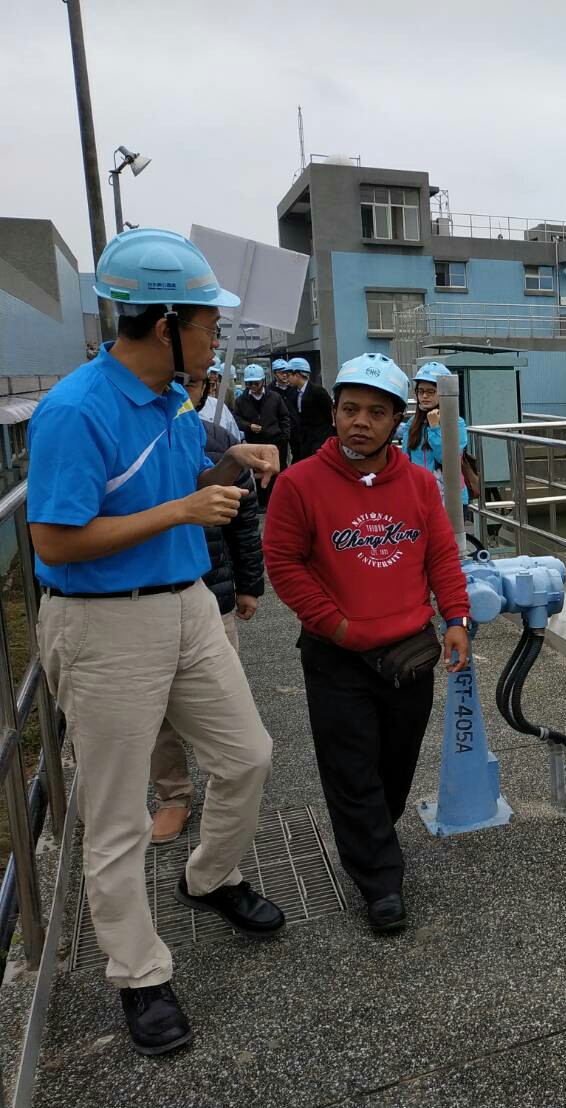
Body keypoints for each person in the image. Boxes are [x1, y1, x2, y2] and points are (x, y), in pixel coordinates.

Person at [29, 228, 284, 1056]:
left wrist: (227, 468)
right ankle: (139, 976)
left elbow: (176, 493)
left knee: (246, 755)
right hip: (104, 625)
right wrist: (182, 511)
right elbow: (56, 542)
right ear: (164, 322)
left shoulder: (177, 401)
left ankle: (209, 877)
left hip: (187, 609)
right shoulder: (76, 408)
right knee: (114, 814)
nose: (220, 334)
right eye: (209, 319)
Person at [263, 352, 471, 934]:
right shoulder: (299, 483)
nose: (361, 421)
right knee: (351, 769)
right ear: (334, 413)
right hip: (336, 655)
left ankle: (375, 837)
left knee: (395, 768)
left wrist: (455, 616)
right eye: (350, 408)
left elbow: (439, 554)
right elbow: (284, 562)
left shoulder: (421, 483)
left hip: (408, 651)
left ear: (396, 419)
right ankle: (381, 880)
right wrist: (335, 624)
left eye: (376, 412)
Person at [150, 368, 264, 843]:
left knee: (225, 706)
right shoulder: (141, 436)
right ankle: (172, 794)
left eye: (195, 383)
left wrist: (249, 585)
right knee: (156, 714)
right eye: (177, 380)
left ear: (208, 388)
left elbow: (244, 522)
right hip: (149, 597)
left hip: (211, 593)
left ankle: (225, 791)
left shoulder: (218, 439)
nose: (185, 391)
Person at [397, 362, 469, 512]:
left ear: (442, 393)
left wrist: (435, 428)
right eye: (420, 391)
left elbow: (448, 460)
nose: (424, 396)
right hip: (419, 494)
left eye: (431, 391)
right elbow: (406, 458)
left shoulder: (456, 423)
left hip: (449, 497)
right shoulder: (412, 424)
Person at [235, 364, 290, 507]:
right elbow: (236, 419)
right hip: (254, 443)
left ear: (263, 381)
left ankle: (279, 501)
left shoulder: (274, 397)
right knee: (258, 473)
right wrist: (249, 426)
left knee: (277, 472)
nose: (252, 386)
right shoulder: (241, 400)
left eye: (255, 383)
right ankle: (263, 503)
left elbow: (284, 417)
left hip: (275, 441)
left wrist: (284, 436)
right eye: (249, 383)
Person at [287, 357, 334, 460]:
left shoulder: (317, 391)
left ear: (298, 374)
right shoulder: (293, 393)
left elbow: (329, 414)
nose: (287, 378)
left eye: (289, 375)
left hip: (320, 438)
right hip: (304, 439)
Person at [200, 358, 243, 443]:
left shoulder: (227, 391)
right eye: (211, 372)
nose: (213, 376)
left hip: (221, 434)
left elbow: (232, 412)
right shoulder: (198, 390)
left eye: (215, 373)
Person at [270, 358, 299, 462]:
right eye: (281, 372)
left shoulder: (295, 388)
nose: (285, 375)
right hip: (279, 430)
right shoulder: (270, 391)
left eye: (287, 372)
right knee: (280, 459)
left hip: (296, 429)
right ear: (274, 374)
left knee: (298, 456)